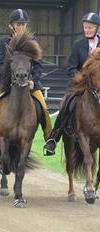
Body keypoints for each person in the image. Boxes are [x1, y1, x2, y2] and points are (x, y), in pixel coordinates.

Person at [0, 9, 52, 151]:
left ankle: (49, 140)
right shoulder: (5, 42)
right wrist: (9, 78)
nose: (21, 26)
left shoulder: (33, 42)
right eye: (18, 24)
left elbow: (39, 66)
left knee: (44, 107)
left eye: (23, 24)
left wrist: (33, 80)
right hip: (7, 82)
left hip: (29, 82)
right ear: (12, 25)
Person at [43, 12, 100, 156]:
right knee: (66, 104)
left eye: (90, 28)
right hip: (79, 85)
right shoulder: (78, 45)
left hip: (98, 85)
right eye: (85, 27)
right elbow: (71, 67)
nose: (87, 30)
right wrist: (79, 77)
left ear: (97, 28)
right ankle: (54, 138)